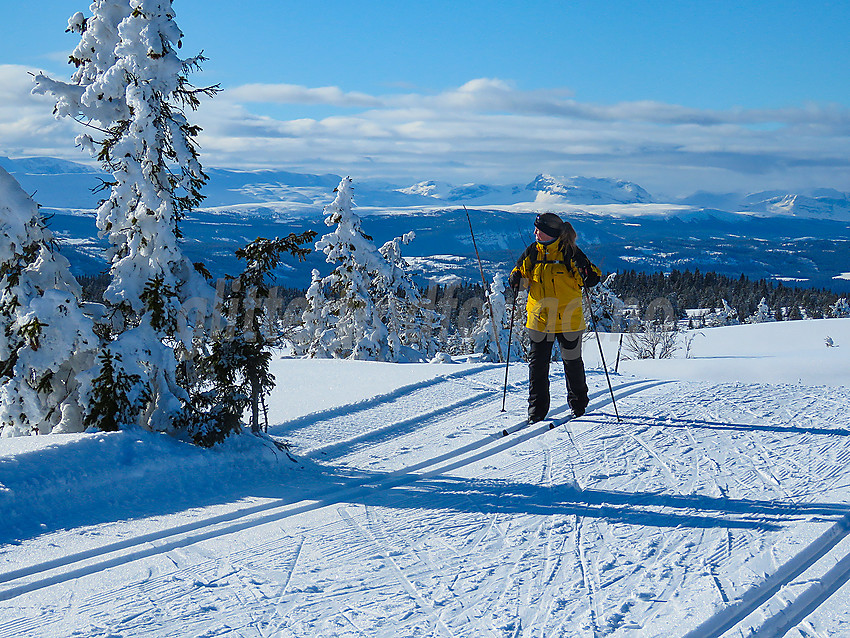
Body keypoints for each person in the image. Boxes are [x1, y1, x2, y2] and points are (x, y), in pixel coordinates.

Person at [508, 212, 601, 422]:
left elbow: (591, 278)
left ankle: (578, 405)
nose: (535, 233)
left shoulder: (570, 252)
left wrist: (586, 272)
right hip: (539, 320)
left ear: (549, 232)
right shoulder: (533, 252)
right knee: (537, 367)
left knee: (572, 363)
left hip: (568, 319)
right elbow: (522, 278)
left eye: (538, 229)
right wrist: (516, 278)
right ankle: (537, 411)